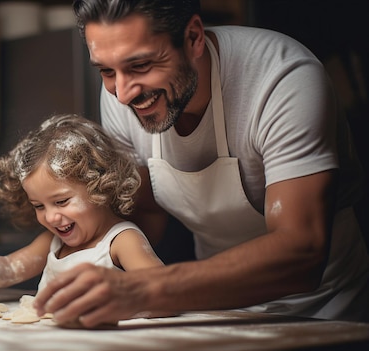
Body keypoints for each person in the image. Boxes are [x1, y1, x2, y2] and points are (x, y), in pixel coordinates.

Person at [33, 0, 369, 327]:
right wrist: (39, 260)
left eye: (141, 65)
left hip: (325, 313)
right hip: (215, 310)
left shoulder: (281, 77)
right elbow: (140, 213)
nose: (122, 93)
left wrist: (148, 288)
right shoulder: (123, 95)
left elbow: (302, 253)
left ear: (193, 37)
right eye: (107, 71)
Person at [0, 114, 164, 298]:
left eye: (61, 202)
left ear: (100, 186)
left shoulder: (121, 241)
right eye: (39, 206)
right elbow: (10, 268)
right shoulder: (54, 242)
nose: (51, 217)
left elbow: (164, 291)